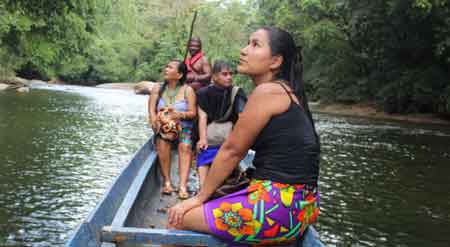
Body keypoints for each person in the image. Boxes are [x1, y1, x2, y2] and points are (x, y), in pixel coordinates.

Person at [167, 27, 321, 246]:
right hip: (303, 207)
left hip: (278, 208)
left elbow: (232, 151)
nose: (243, 50)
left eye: (255, 45)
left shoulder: (267, 91)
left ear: (275, 61)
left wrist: (199, 197)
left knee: (177, 220)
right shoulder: (288, 92)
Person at [148, 59, 197, 200]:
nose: (166, 69)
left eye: (170, 68)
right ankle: (167, 182)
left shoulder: (188, 90)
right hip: (163, 128)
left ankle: (182, 185)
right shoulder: (158, 88)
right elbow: (151, 110)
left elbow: (193, 113)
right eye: (166, 66)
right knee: (163, 143)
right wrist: (154, 122)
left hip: (183, 127)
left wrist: (179, 114)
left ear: (180, 74)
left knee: (186, 146)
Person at [196, 60, 247, 188]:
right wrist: (202, 139)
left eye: (230, 74)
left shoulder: (236, 92)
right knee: (205, 154)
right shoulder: (203, 93)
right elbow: (202, 116)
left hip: (227, 137)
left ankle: (207, 189)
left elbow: (242, 117)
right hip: (212, 136)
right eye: (224, 74)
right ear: (214, 76)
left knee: (204, 159)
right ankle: (203, 189)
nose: (229, 77)